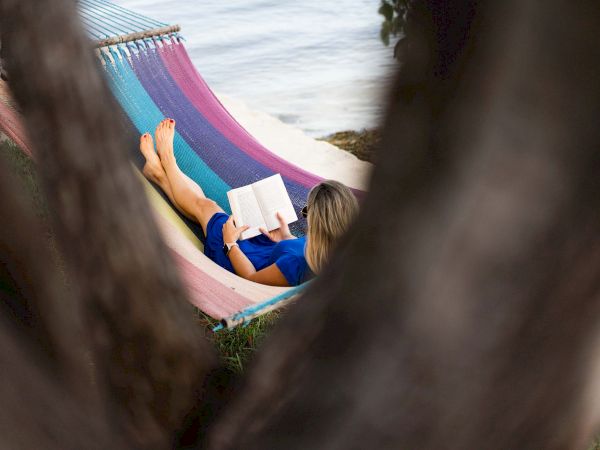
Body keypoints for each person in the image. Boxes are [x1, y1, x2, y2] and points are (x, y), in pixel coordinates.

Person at [139, 118, 358, 287]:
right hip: (268, 252)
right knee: (210, 213)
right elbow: (300, 251)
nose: (306, 216)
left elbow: (251, 279)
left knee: (208, 209)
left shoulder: (296, 265)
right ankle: (158, 174)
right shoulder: (335, 247)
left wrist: (230, 244)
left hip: (241, 262)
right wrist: (285, 237)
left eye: (307, 211)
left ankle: (168, 160)